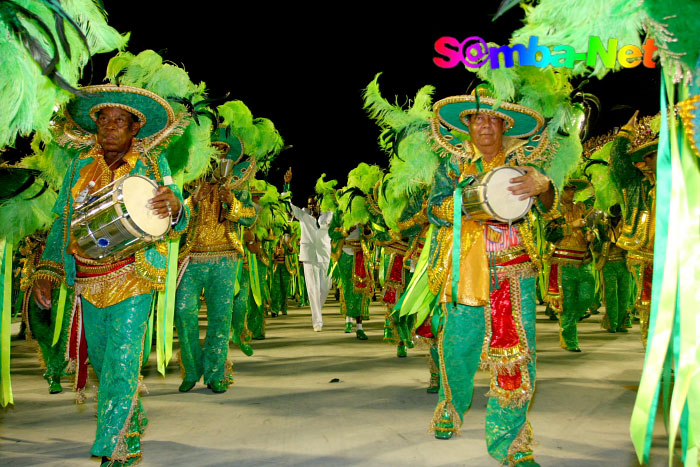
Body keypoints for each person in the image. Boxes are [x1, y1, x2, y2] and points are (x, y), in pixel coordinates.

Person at [31, 85, 189, 466]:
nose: (109, 128)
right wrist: (47, 269)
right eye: (103, 120)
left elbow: (173, 221)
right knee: (103, 365)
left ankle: (112, 450)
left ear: (135, 128)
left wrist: (177, 207)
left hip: (134, 275)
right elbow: (63, 221)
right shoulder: (78, 165)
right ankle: (129, 430)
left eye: (119, 121)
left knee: (122, 361)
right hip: (88, 279)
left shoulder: (153, 165)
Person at [427, 89, 556, 467]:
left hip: (515, 272)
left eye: (493, 118)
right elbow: (433, 209)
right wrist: (467, 199)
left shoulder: (524, 165)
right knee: (458, 349)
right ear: (467, 125)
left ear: (506, 125)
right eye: (477, 118)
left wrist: (544, 188)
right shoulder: (451, 166)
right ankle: (450, 406)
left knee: (514, 357)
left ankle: (511, 443)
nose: (485, 124)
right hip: (466, 268)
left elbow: (550, 208)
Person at [175, 132, 256, 393]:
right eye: (212, 151)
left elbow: (250, 217)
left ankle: (216, 372)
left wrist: (231, 204)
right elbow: (173, 220)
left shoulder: (236, 185)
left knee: (220, 318)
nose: (217, 156)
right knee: (183, 311)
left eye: (222, 152)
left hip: (225, 257)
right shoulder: (187, 181)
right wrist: (192, 201)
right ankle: (191, 368)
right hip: (191, 257)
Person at [543, 179, 595, 352]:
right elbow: (549, 234)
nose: (571, 192)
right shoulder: (553, 209)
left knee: (587, 297)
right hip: (563, 261)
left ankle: (569, 323)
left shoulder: (581, 208)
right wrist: (571, 226)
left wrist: (591, 235)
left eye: (573, 189)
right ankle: (570, 340)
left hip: (584, 260)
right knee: (568, 304)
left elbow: (594, 228)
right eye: (567, 188)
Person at [283, 168, 332, 331]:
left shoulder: (328, 215)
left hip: (325, 255)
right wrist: (286, 185)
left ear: (319, 203)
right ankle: (317, 321)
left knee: (325, 287)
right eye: (309, 203)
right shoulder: (303, 215)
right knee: (312, 289)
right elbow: (287, 205)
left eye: (314, 203)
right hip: (309, 256)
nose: (312, 206)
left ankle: (318, 311)